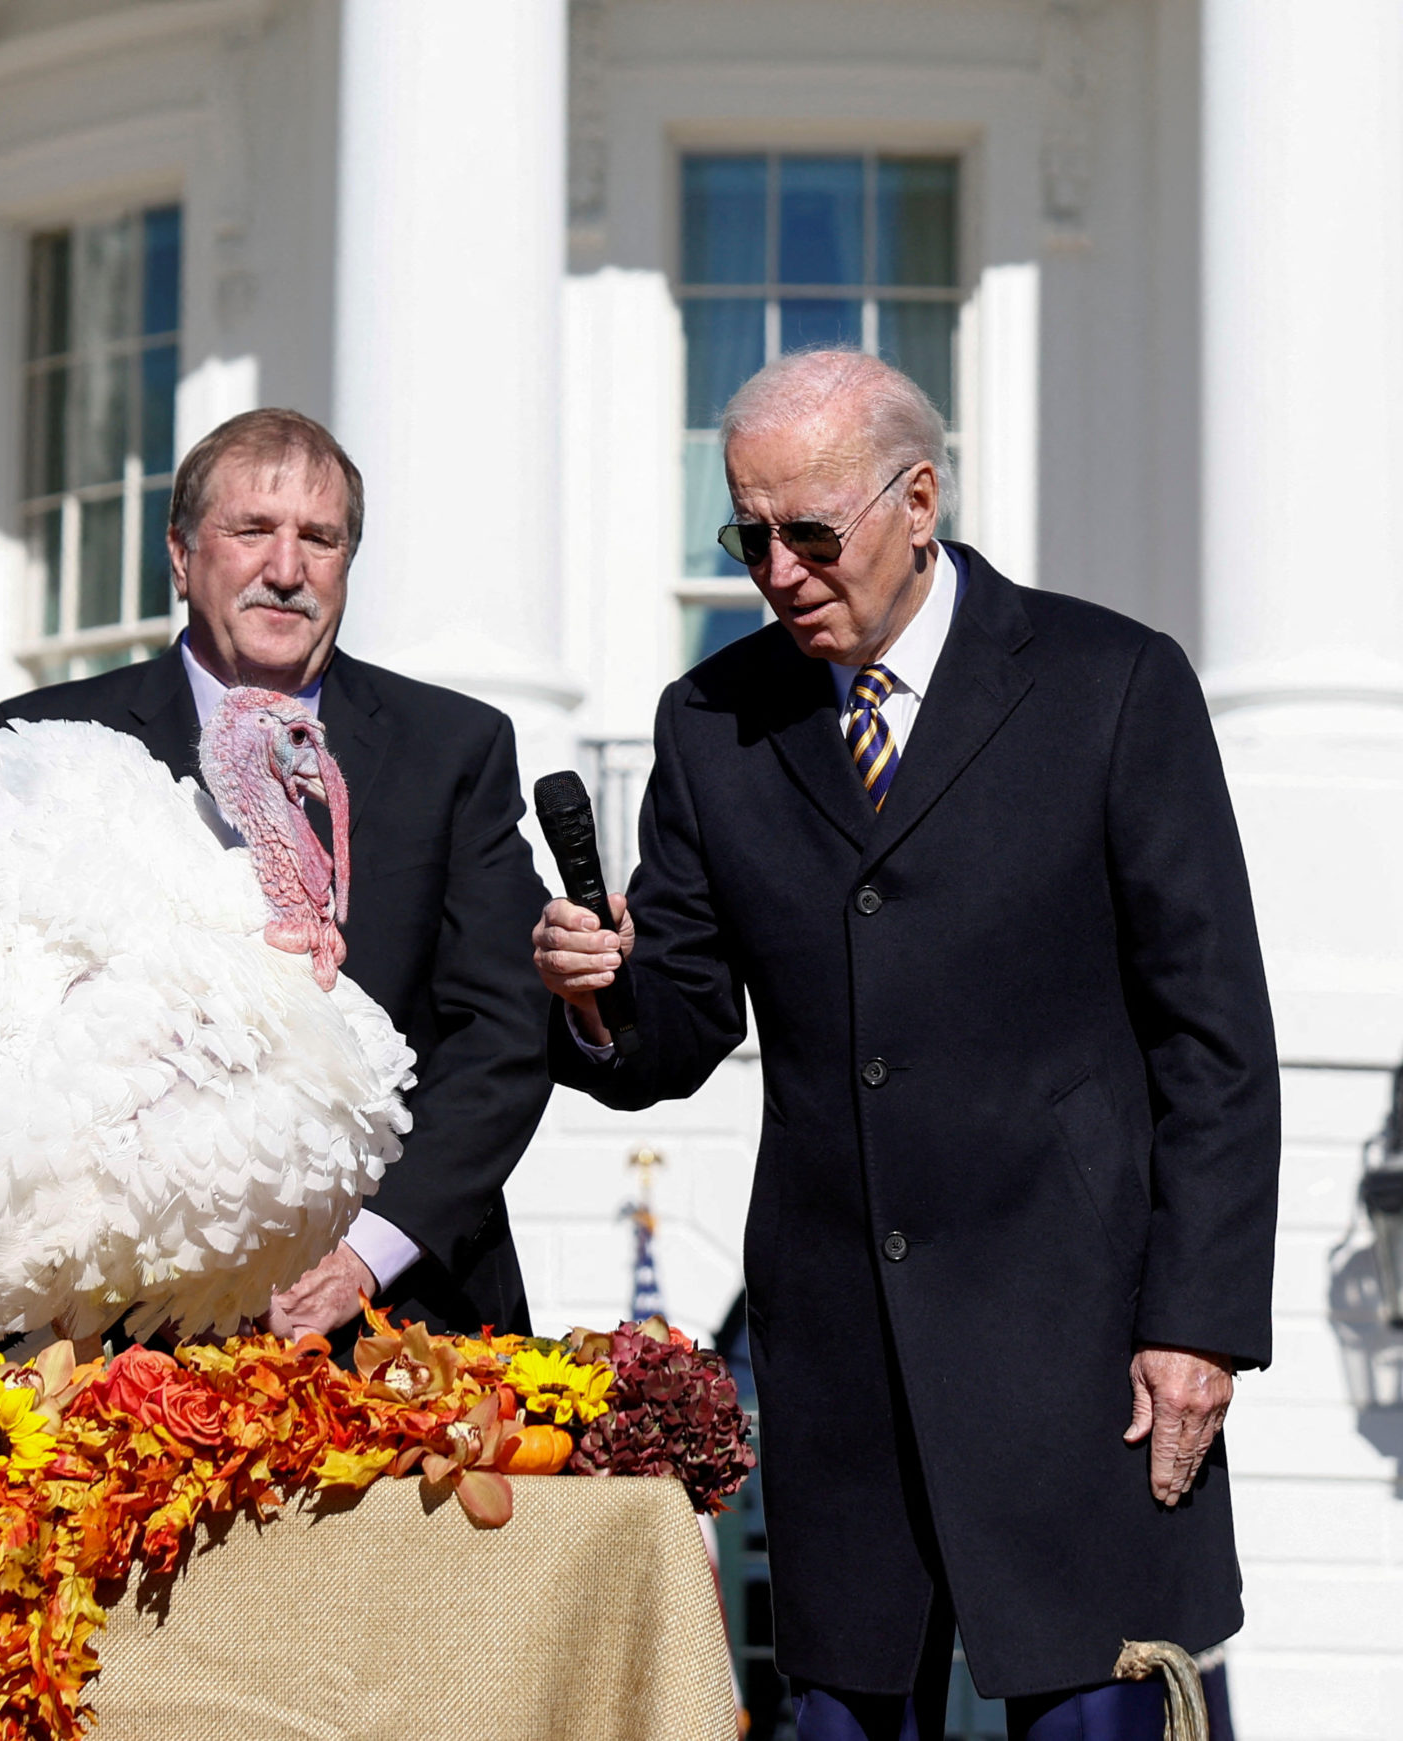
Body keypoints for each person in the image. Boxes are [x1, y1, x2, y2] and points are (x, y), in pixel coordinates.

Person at [533, 350, 1280, 1739]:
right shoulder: (711, 723)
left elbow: (1215, 1034)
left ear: (919, 498)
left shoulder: (1114, 683)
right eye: (745, 535)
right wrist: (599, 990)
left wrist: (1199, 1322)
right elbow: (677, 1030)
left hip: (1084, 1361)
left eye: (808, 533)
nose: (774, 568)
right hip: (834, 1366)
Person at [0, 409, 554, 1340]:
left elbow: (502, 1034)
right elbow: (8, 1033)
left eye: (319, 540)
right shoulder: (50, 743)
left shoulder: (453, 748)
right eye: (252, 531)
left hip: (396, 1322)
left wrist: (364, 1256)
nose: (286, 570)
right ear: (180, 555)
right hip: (122, 1328)